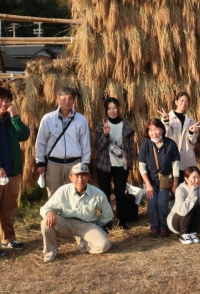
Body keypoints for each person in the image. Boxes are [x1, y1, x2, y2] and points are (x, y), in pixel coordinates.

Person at [40, 163, 113, 263]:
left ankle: (85, 244)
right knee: (45, 222)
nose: (80, 179)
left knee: (104, 245)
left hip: (87, 225)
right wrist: (49, 213)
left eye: (84, 175)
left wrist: (98, 225)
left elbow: (108, 213)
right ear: (71, 177)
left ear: (88, 177)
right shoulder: (63, 191)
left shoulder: (97, 193)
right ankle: (50, 252)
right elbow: (46, 207)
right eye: (77, 176)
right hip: (67, 223)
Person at [35, 87, 91, 198]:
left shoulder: (80, 119)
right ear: (58, 100)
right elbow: (41, 141)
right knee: (54, 196)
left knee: (75, 195)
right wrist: (40, 162)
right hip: (53, 165)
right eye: (63, 99)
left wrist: (84, 163)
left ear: (73, 100)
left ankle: (73, 210)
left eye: (70, 98)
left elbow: (85, 143)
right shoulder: (48, 119)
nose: (67, 101)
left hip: (74, 164)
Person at [93, 97, 135, 230]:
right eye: (109, 109)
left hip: (121, 165)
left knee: (120, 193)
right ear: (106, 111)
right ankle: (106, 221)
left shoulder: (126, 125)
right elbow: (98, 146)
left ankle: (122, 221)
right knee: (104, 193)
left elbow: (131, 148)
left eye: (114, 108)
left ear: (119, 109)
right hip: (104, 165)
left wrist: (129, 164)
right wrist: (105, 134)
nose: (112, 111)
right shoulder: (102, 125)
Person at [0, 87, 30, 253]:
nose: (4, 104)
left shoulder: (11, 121)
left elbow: (24, 135)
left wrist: (14, 117)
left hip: (12, 172)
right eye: (1, 100)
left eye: (7, 100)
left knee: (9, 208)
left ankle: (8, 239)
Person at [139, 118, 180, 238]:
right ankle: (154, 227)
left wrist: (175, 184)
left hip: (165, 181)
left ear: (162, 129)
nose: (154, 133)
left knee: (161, 202)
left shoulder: (170, 144)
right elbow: (142, 167)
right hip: (150, 181)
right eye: (151, 130)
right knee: (152, 203)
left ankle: (164, 226)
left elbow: (175, 165)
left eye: (156, 129)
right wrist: (148, 185)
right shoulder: (145, 145)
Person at [158, 92, 200, 180]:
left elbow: (193, 141)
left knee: (187, 184)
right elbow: (164, 136)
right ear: (176, 102)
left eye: (186, 102)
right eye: (182, 101)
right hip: (172, 156)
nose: (184, 103)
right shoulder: (167, 117)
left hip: (187, 159)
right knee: (173, 184)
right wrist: (166, 121)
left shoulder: (191, 120)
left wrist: (191, 132)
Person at [167, 166, 200, 244]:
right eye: (194, 177)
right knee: (189, 209)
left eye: (199, 177)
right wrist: (193, 192)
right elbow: (182, 211)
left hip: (189, 220)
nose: (197, 180)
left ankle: (192, 232)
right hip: (176, 222)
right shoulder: (180, 190)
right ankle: (183, 234)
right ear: (186, 179)